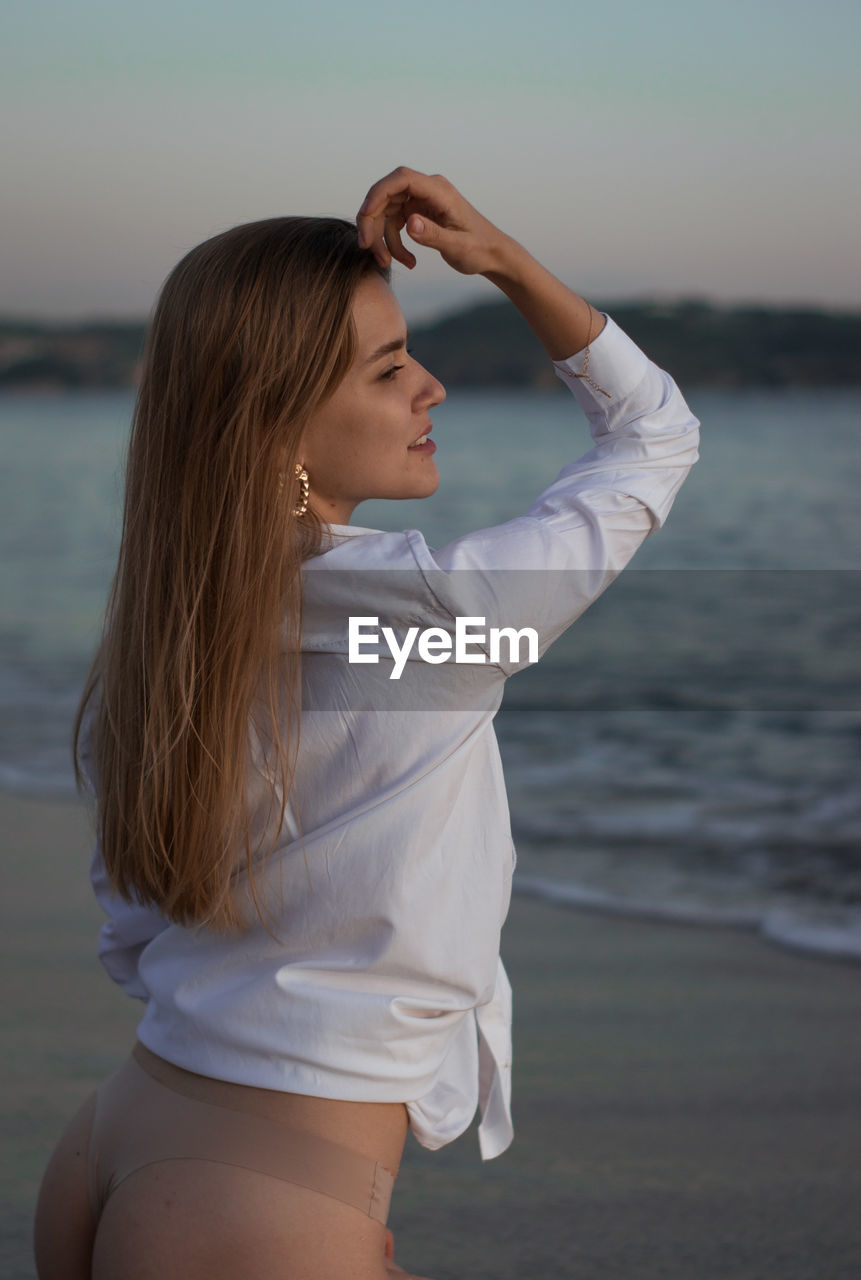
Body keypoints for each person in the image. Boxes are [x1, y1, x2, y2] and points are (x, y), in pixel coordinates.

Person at [33, 167, 700, 1280]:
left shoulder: (166, 637)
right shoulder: (431, 628)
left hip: (121, 1131)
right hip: (268, 1203)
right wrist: (504, 262)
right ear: (276, 423)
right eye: (391, 367)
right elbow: (653, 436)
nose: (431, 386)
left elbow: (136, 929)